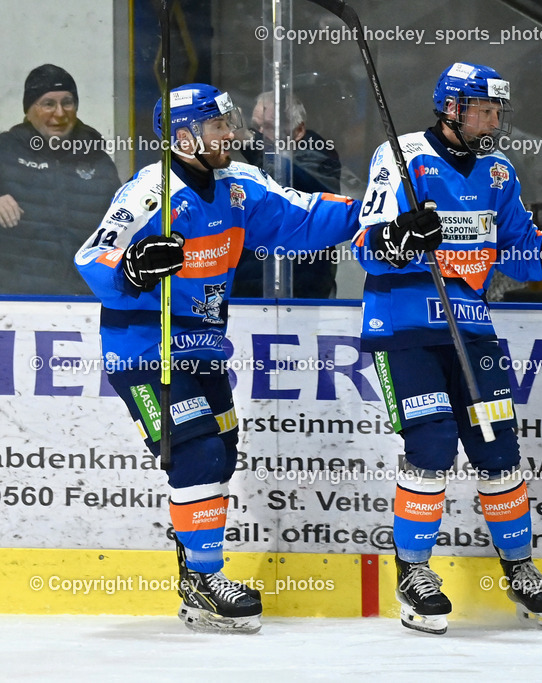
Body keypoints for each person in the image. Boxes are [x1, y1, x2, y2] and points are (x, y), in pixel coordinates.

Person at [74, 83, 361, 633]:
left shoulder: (238, 185)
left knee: (221, 452)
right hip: (146, 348)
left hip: (205, 345)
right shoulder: (149, 195)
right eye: (217, 126)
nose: (231, 133)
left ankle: (192, 580)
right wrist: (131, 268)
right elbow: (93, 256)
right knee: (200, 453)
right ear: (182, 137)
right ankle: (206, 582)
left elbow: (302, 218)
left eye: (228, 123)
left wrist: (377, 212)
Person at [351, 62, 542, 635]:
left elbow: (517, 252)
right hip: (404, 327)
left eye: (498, 110)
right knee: (431, 444)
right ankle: (413, 574)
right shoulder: (401, 157)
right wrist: (399, 238)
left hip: (472, 328)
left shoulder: (498, 172)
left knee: (499, 450)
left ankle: (521, 569)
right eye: (483, 109)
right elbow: (366, 244)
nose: (493, 120)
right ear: (451, 108)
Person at [0, 64, 120, 295]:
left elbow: (123, 224)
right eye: (48, 104)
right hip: (15, 300)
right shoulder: (5, 150)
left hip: (85, 298)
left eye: (67, 102)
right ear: (29, 109)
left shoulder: (98, 159)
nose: (60, 113)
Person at [233, 91, 355, 298]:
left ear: (298, 131)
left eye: (269, 127)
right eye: (256, 126)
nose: (260, 132)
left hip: (303, 286)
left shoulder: (318, 153)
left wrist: (250, 139)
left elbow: (286, 179)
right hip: (248, 284)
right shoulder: (257, 158)